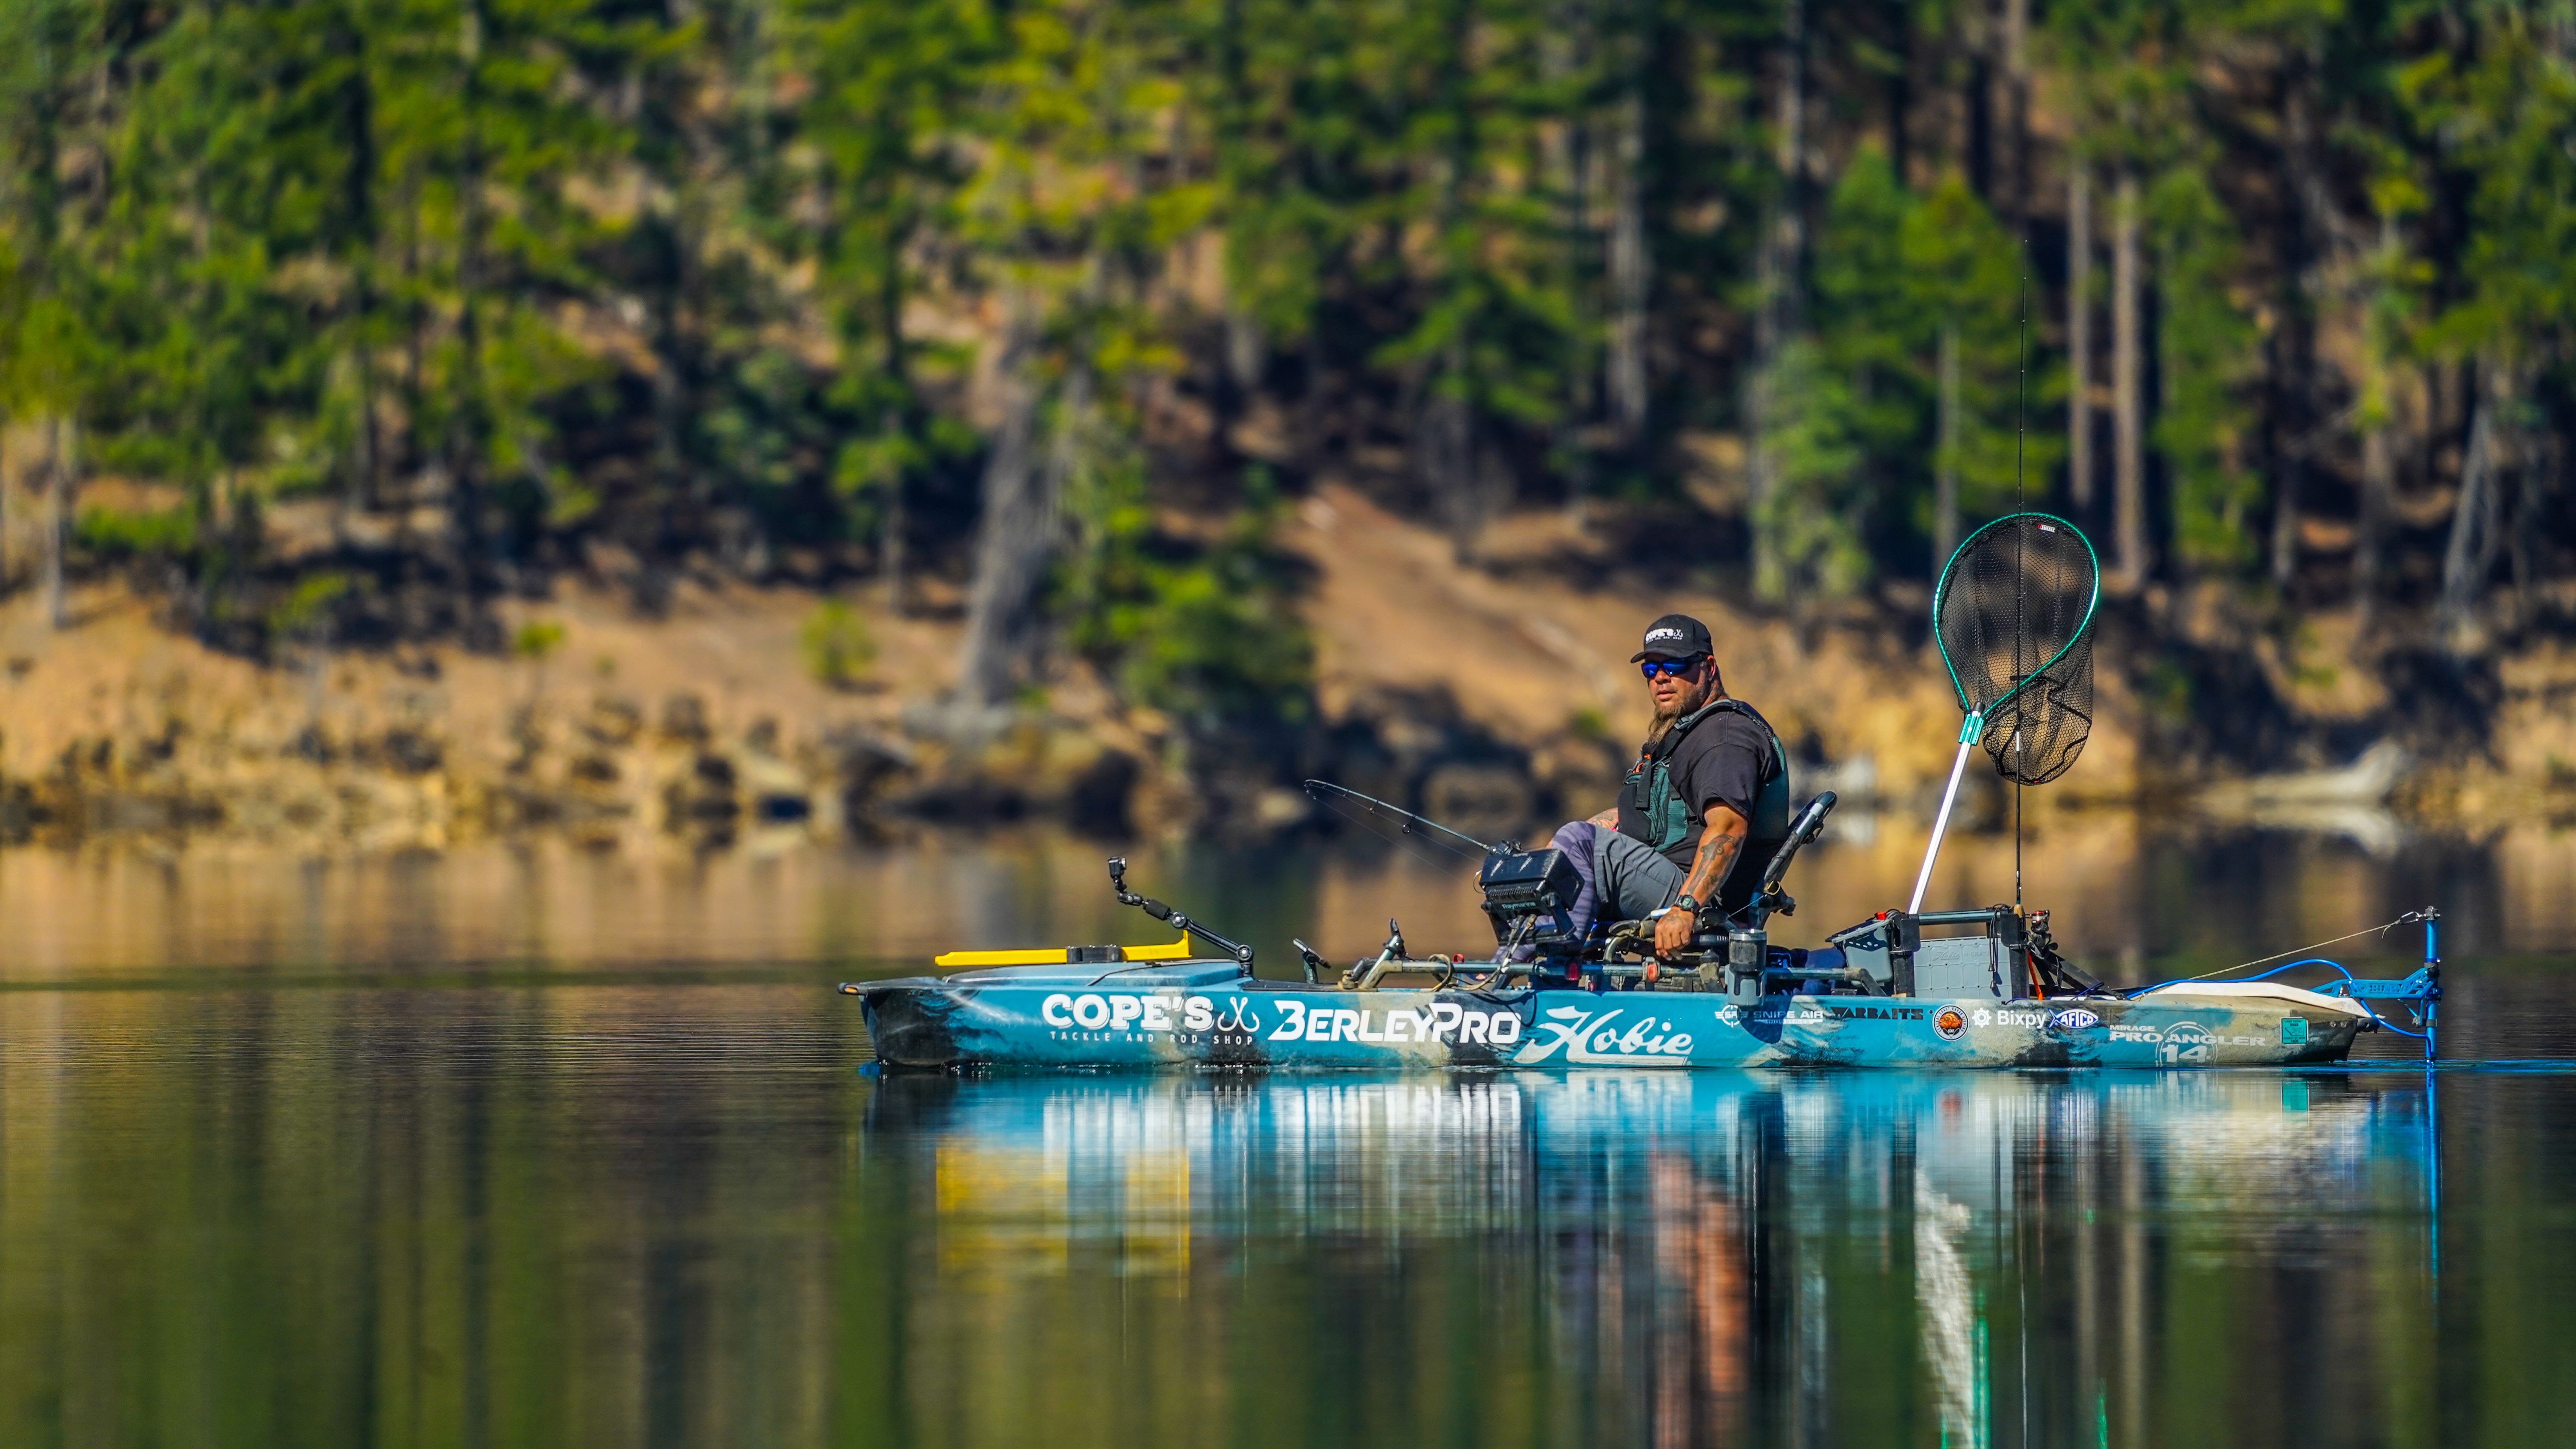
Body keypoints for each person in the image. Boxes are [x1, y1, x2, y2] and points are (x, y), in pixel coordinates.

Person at [1542, 614, 1791, 961]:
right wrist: (1554, 856)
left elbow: (1728, 827)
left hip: (1701, 902)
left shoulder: (1725, 737)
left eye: (1675, 665)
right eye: (1651, 669)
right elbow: (1639, 816)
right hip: (1667, 883)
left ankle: (1529, 974)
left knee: (1576, 841)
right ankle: (1531, 967)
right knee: (1548, 861)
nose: (1661, 677)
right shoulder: (1682, 736)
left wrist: (1686, 908)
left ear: (1709, 667)